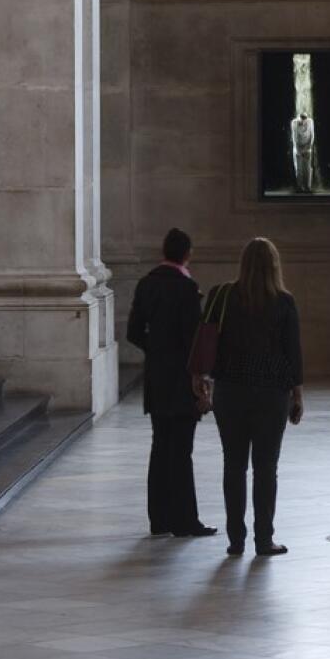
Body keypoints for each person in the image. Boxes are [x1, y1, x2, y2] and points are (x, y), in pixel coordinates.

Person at [196, 237, 304, 557]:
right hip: (271, 394)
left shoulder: (222, 295)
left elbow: (204, 338)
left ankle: (236, 539)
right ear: (274, 266)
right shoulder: (284, 302)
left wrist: (200, 377)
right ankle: (263, 538)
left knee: (234, 465)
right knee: (266, 468)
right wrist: (297, 394)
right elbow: (292, 354)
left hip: (230, 391)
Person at [126, 227, 216, 539]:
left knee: (160, 447)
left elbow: (134, 332)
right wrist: (202, 378)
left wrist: (157, 350)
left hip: (156, 378)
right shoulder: (187, 289)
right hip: (182, 380)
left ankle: (159, 519)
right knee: (182, 451)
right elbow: (195, 340)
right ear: (187, 254)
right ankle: (185, 521)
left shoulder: (146, 284)